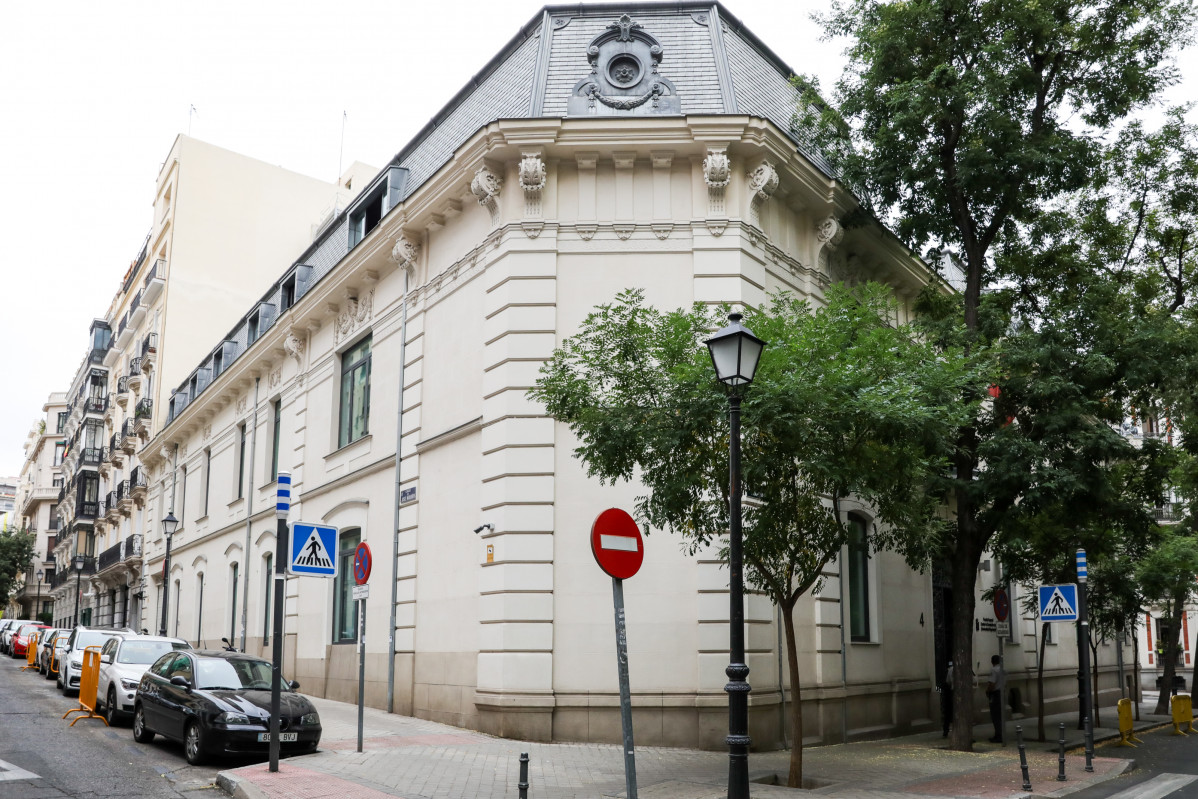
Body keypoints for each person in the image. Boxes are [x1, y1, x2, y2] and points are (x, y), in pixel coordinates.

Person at [986, 654, 1005, 743]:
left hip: (995, 694)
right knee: (1001, 715)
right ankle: (1001, 734)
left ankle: (998, 736)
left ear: (992, 662)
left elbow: (992, 684)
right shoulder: (1003, 669)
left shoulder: (993, 670)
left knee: (995, 715)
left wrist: (988, 691)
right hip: (1002, 692)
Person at [940, 661, 954, 737]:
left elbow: (947, 682)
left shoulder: (950, 670)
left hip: (951, 693)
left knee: (948, 714)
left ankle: (945, 731)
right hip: (958, 693)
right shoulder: (967, 668)